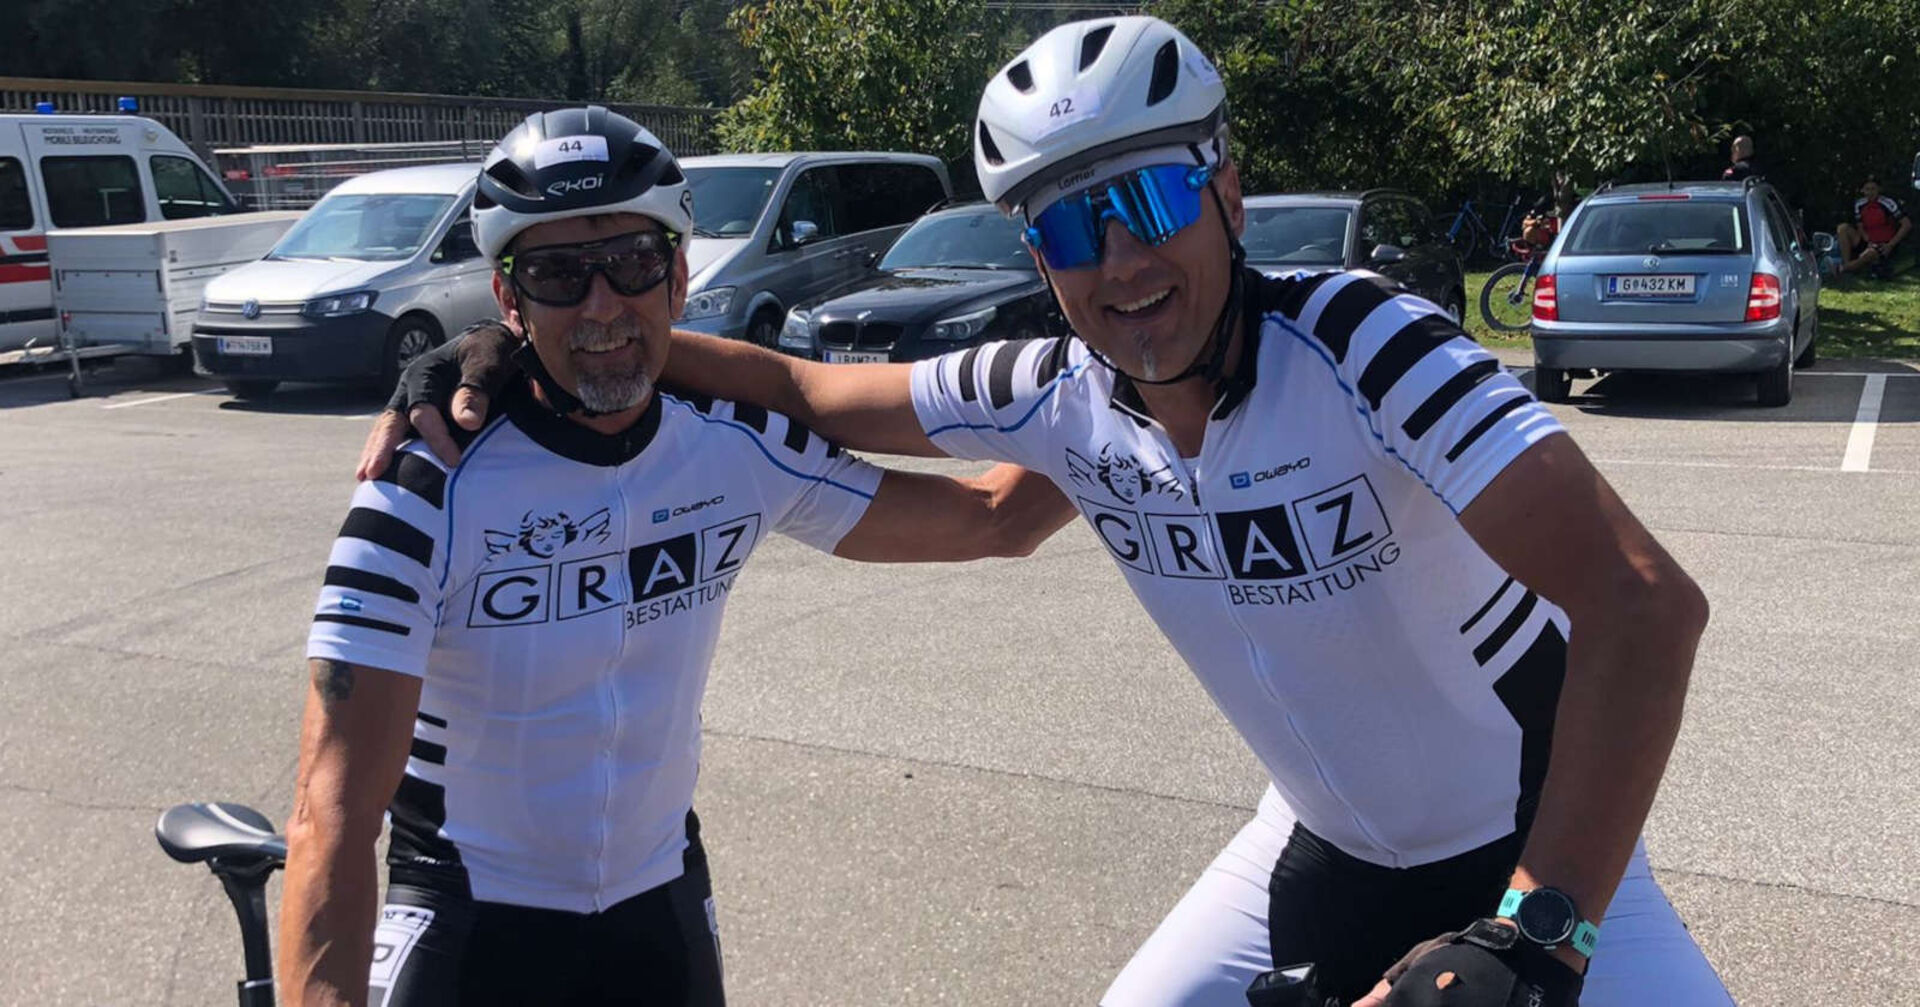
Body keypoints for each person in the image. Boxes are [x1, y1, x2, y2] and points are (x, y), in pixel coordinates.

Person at [369, 18, 1732, 1007]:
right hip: (1318, 835)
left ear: (1227, 192)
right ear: (1036, 255)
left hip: (1530, 853)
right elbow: (808, 384)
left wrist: (1536, 932)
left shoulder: (1366, 343)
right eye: (1071, 229)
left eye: (1149, 201)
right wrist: (535, 347)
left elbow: (1644, 601)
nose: (1123, 262)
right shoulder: (1055, 393)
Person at [281, 105, 1074, 1007]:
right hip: (471, 916)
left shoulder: (735, 445)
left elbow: (994, 517)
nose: (601, 303)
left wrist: (1129, 396)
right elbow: (332, 818)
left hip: (656, 905)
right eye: (556, 273)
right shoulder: (426, 484)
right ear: (507, 298)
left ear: (679, 277)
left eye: (632, 263)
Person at [1837, 175, 1910, 277]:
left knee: (1869, 254)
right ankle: (1847, 263)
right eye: (1867, 189)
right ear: (1863, 190)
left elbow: (1906, 224)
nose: (1870, 192)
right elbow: (1860, 226)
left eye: (1873, 189)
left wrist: (1891, 244)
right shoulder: (1859, 204)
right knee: (1843, 228)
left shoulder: (1888, 203)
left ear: (1879, 190)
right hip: (1868, 241)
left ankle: (1843, 268)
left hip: (1884, 244)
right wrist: (1866, 239)